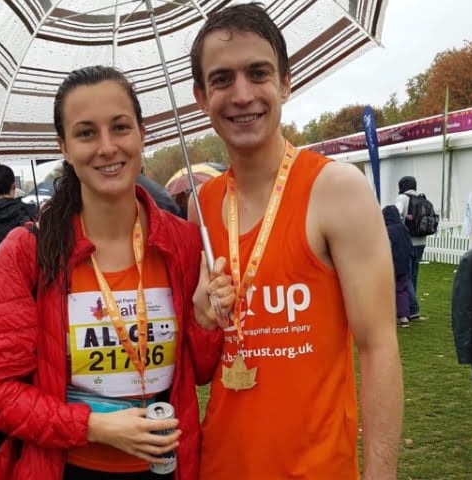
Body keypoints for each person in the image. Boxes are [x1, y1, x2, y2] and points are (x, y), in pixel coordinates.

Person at [0, 66, 232, 480]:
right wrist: (93, 426)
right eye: (86, 133)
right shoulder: (27, 251)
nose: (107, 147)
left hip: (167, 468)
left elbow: (197, 372)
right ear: (65, 148)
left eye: (120, 127)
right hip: (67, 468)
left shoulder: (182, 242)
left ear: (141, 134)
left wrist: (203, 320)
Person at [187, 4, 403, 479]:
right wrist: (202, 317)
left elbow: (378, 346)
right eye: (222, 79)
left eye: (258, 73)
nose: (242, 95)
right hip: (221, 464)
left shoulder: (336, 190)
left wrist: (381, 474)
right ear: (201, 97)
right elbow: (205, 349)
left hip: (317, 468)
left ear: (285, 82)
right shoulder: (201, 205)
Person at [395, 176, 427, 320]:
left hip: (407, 242)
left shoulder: (402, 198)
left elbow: (396, 214)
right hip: (421, 242)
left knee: (405, 275)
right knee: (413, 275)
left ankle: (413, 309)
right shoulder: (422, 199)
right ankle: (410, 307)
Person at [383, 205, 413, 328]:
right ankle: (404, 317)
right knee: (402, 290)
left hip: (391, 265)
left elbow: (387, 248)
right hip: (404, 264)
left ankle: (387, 317)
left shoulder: (388, 231)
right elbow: (409, 244)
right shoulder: (404, 228)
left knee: (387, 291)